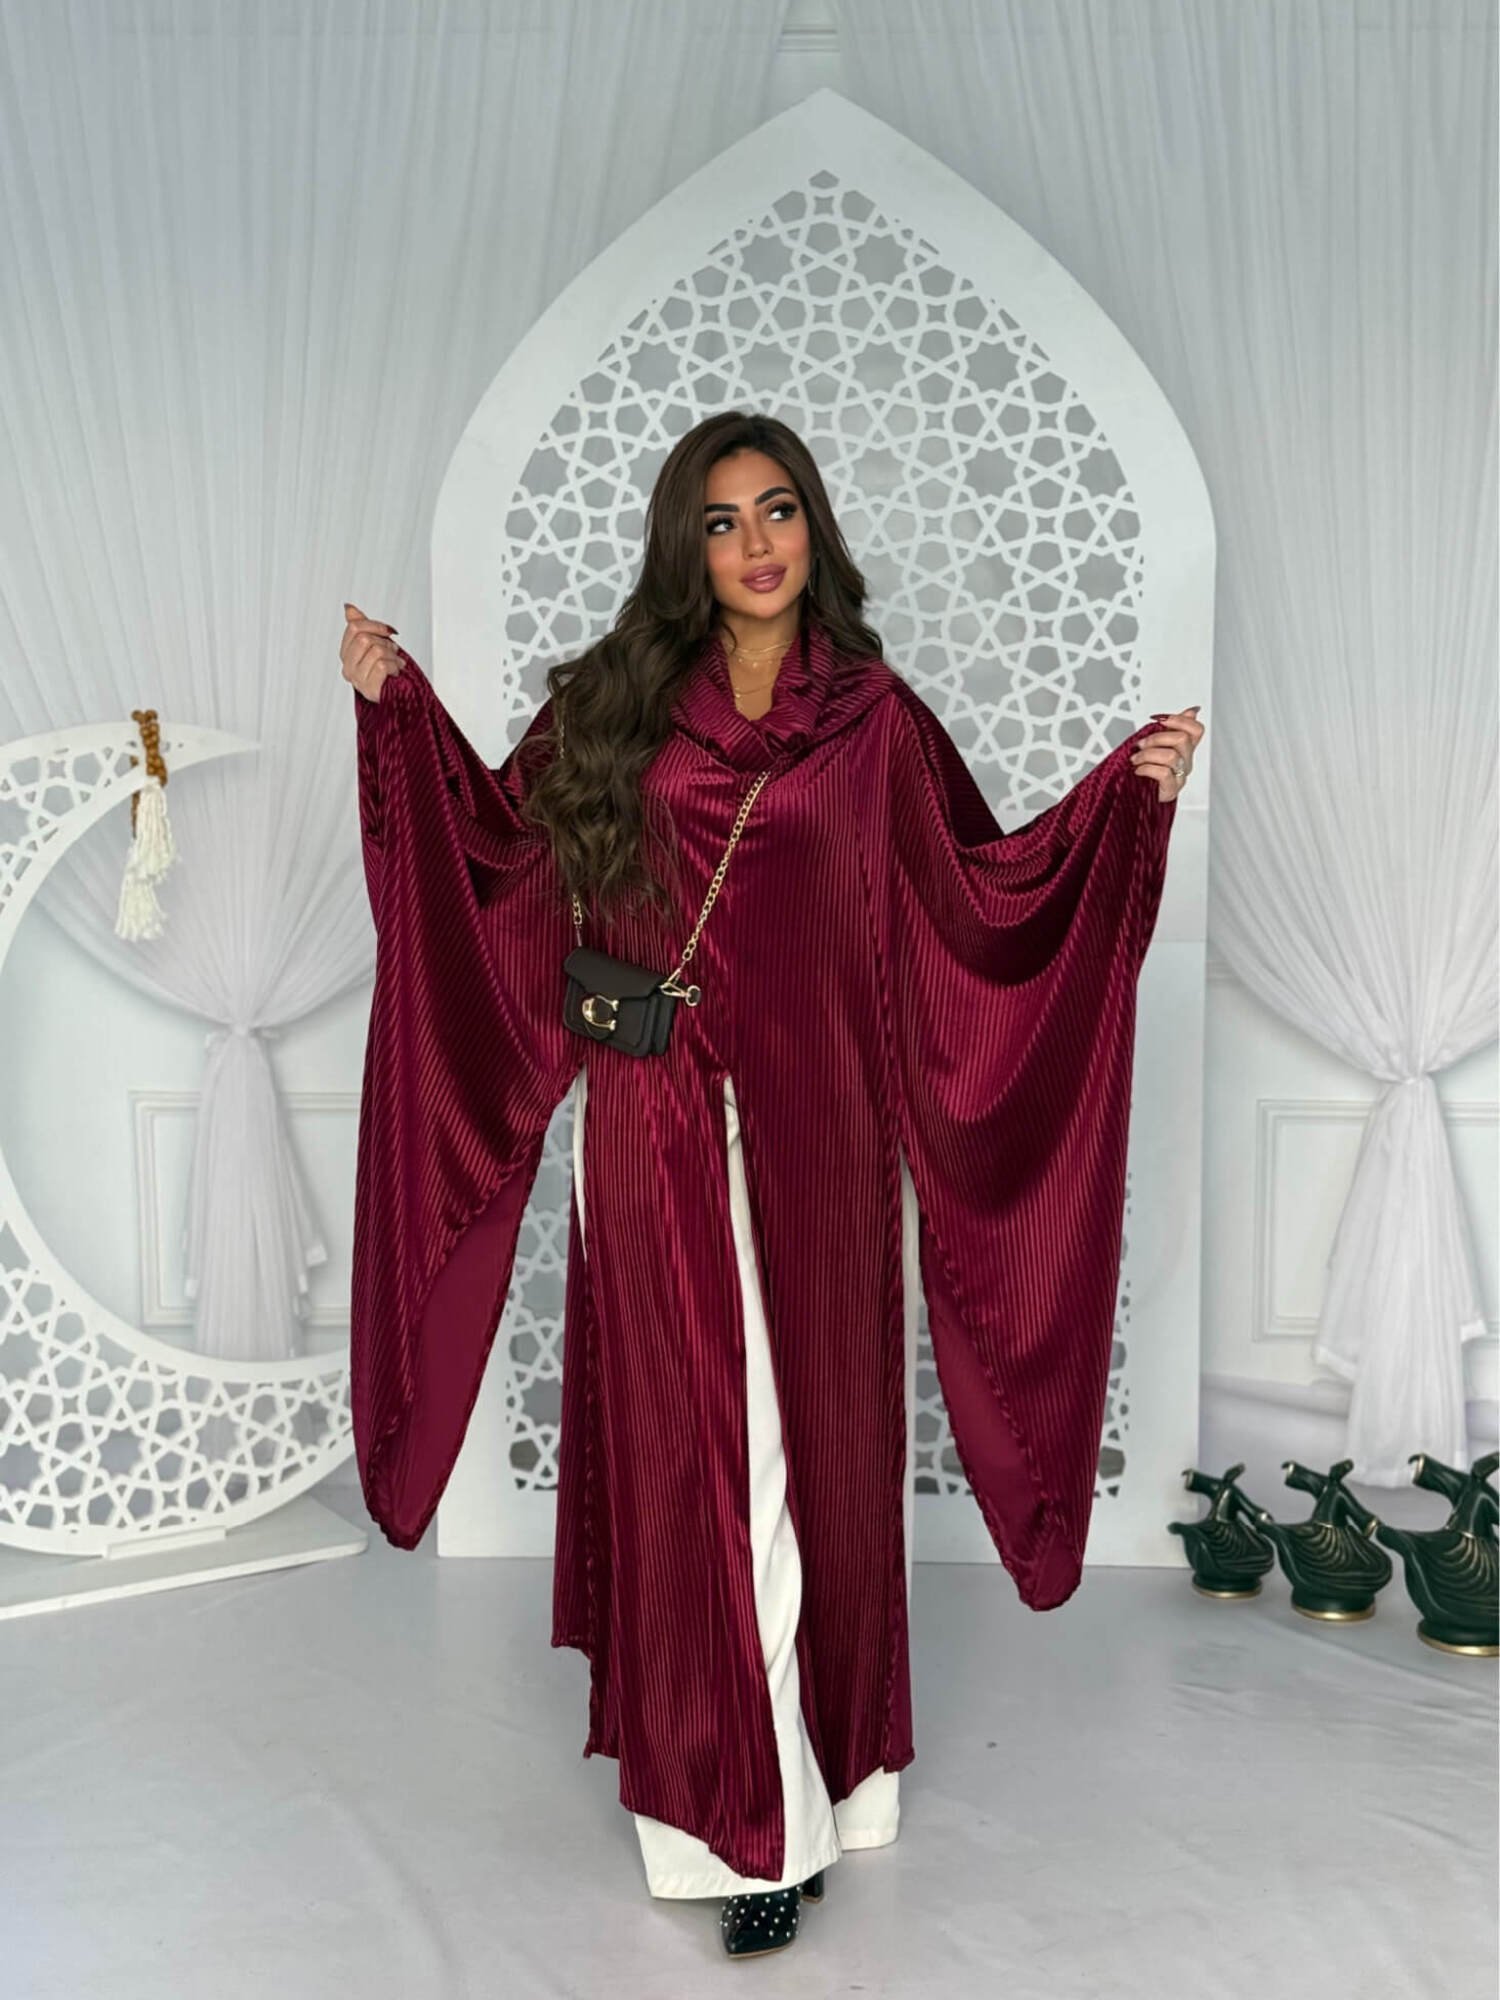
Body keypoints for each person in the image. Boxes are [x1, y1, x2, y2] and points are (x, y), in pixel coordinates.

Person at [341, 409, 1202, 1961]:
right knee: (702, 1458)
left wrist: (1120, 808)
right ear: (686, 544)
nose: (755, 544)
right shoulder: (617, 706)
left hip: (824, 1133)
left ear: (816, 529)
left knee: (819, 1453)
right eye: (723, 520)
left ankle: (834, 1770)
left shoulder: (875, 723)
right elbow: (497, 862)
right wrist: (398, 713)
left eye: (779, 510)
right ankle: (738, 1823)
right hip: (653, 1120)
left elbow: (982, 900)